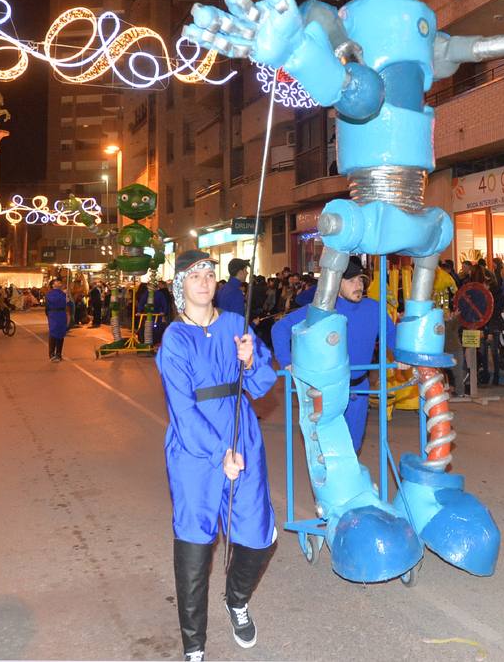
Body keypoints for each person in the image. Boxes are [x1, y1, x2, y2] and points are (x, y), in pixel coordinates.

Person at [156, 250, 276, 661]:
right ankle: (194, 646)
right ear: (180, 287)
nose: (204, 281)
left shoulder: (235, 326)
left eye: (209, 274)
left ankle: (236, 599)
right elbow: (182, 408)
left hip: (243, 436)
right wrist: (216, 453)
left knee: (259, 536)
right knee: (194, 543)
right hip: (195, 450)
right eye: (194, 276)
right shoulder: (174, 339)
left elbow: (262, 384)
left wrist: (251, 359)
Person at [270, 256, 393, 453]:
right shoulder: (322, 311)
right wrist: (286, 361)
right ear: (337, 283)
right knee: (327, 447)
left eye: (361, 280)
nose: (358, 285)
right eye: (351, 280)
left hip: (359, 388)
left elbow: (392, 337)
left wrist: (404, 358)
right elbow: (280, 328)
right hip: (328, 389)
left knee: (353, 446)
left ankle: (348, 482)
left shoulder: (374, 308)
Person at [44, 278, 69, 361]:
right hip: (54, 314)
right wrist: (63, 296)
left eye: (59, 281)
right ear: (53, 285)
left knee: (61, 333)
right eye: (57, 282)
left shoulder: (63, 293)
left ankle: (59, 353)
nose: (59, 282)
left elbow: (67, 303)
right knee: (54, 332)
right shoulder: (50, 294)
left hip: (62, 314)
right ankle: (52, 354)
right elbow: (55, 301)